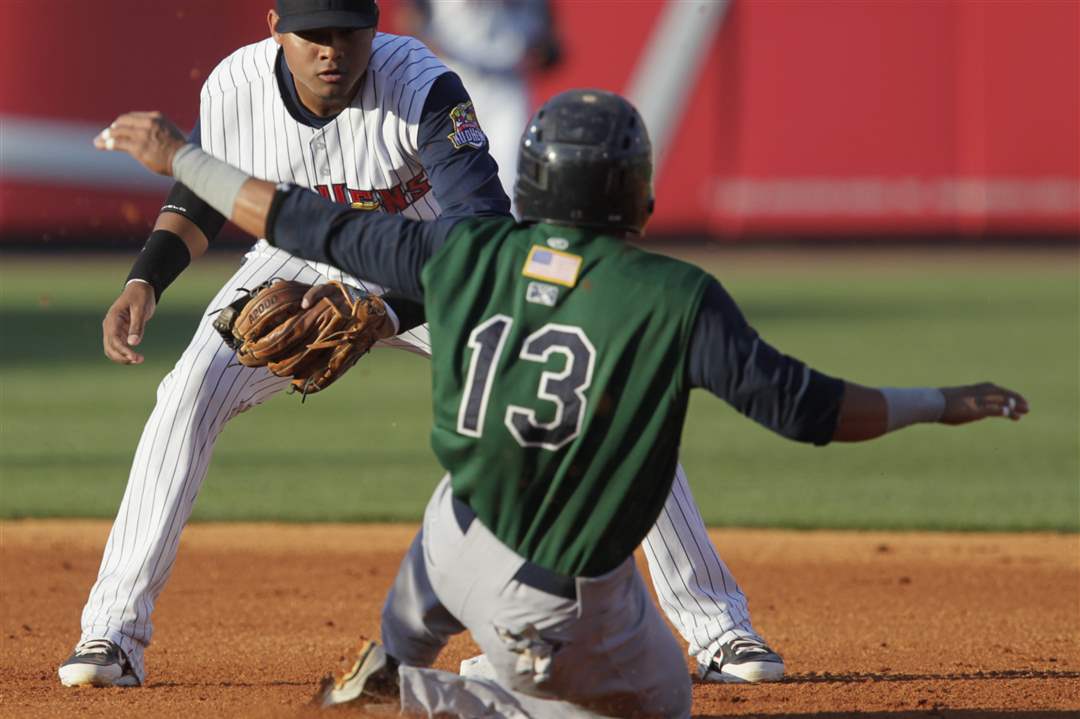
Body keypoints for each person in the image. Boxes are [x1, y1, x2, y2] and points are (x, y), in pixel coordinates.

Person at [97, 89, 1027, 717]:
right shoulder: (667, 295)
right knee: (661, 700)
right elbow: (809, 408)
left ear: (535, 183)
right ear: (640, 192)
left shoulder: (459, 257)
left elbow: (300, 221)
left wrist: (177, 153)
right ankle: (459, 694)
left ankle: (398, 645)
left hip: (445, 546)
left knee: (462, 513)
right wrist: (945, 400)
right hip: (547, 606)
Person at [61, 0, 784, 690]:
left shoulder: (424, 87)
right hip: (296, 261)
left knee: (599, 394)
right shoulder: (234, 86)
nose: (331, 50)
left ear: (373, 27)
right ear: (275, 26)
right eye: (313, 31)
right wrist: (145, 281)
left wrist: (383, 309)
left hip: (431, 264)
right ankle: (112, 634)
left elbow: (482, 236)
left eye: (347, 31)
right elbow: (198, 199)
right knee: (188, 391)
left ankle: (719, 627)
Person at [398, 0, 562, 203]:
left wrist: (541, 52)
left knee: (510, 175)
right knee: (444, 174)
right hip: (450, 78)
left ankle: (504, 231)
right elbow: (409, 19)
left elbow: (550, 43)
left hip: (506, 87)